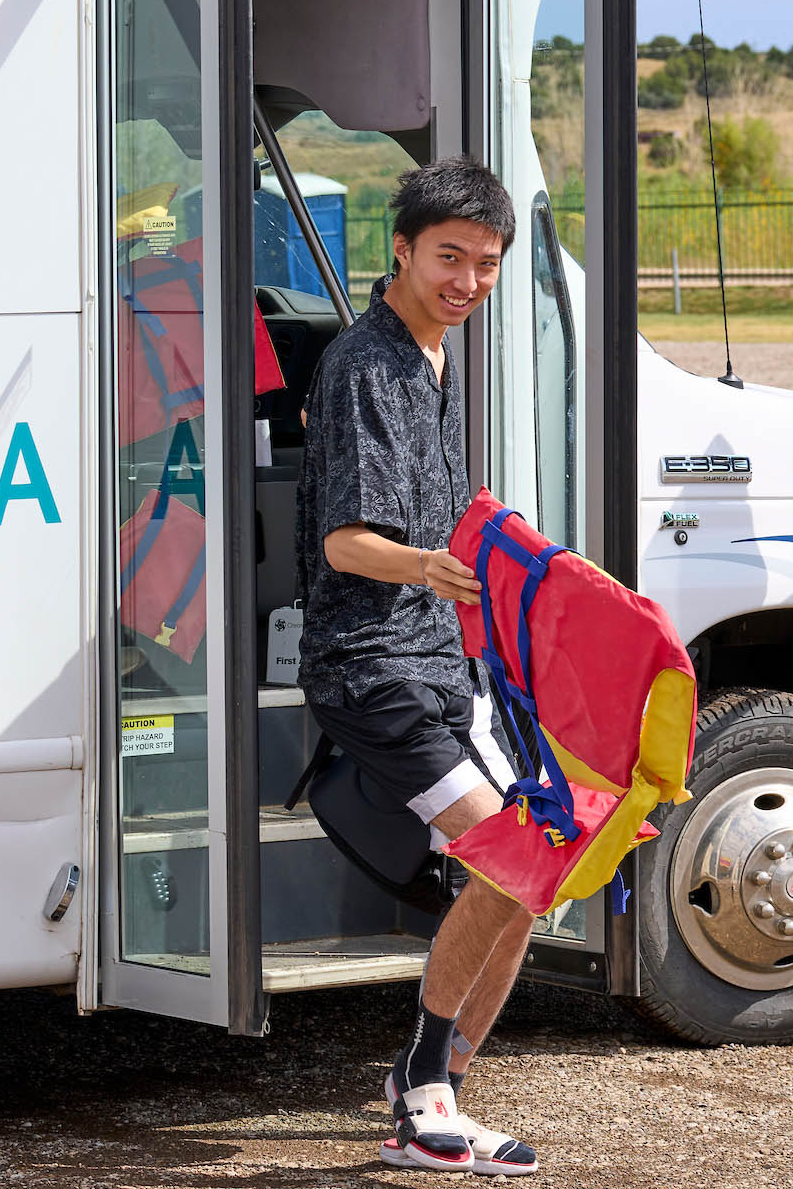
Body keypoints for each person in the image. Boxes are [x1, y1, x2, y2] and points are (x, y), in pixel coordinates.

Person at [295, 158, 540, 1177]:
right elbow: (348, 543)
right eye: (450, 257)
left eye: (485, 265)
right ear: (399, 248)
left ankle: (435, 1086)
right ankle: (422, 1099)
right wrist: (438, 565)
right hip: (371, 666)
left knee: (527, 876)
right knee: (500, 856)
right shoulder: (365, 365)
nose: (468, 281)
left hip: (436, 660)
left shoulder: (436, 358)